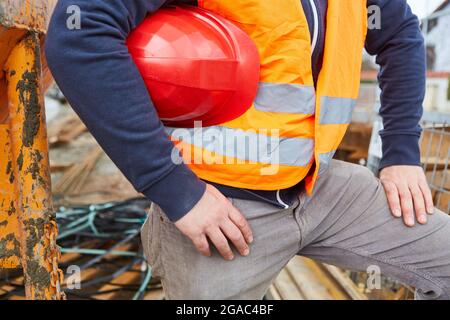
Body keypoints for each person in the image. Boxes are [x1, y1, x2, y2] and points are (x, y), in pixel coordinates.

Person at [45, 0, 450, 299]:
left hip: (321, 188)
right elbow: (80, 32)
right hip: (220, 209)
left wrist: (401, 153)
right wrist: (175, 190)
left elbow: (399, 36)